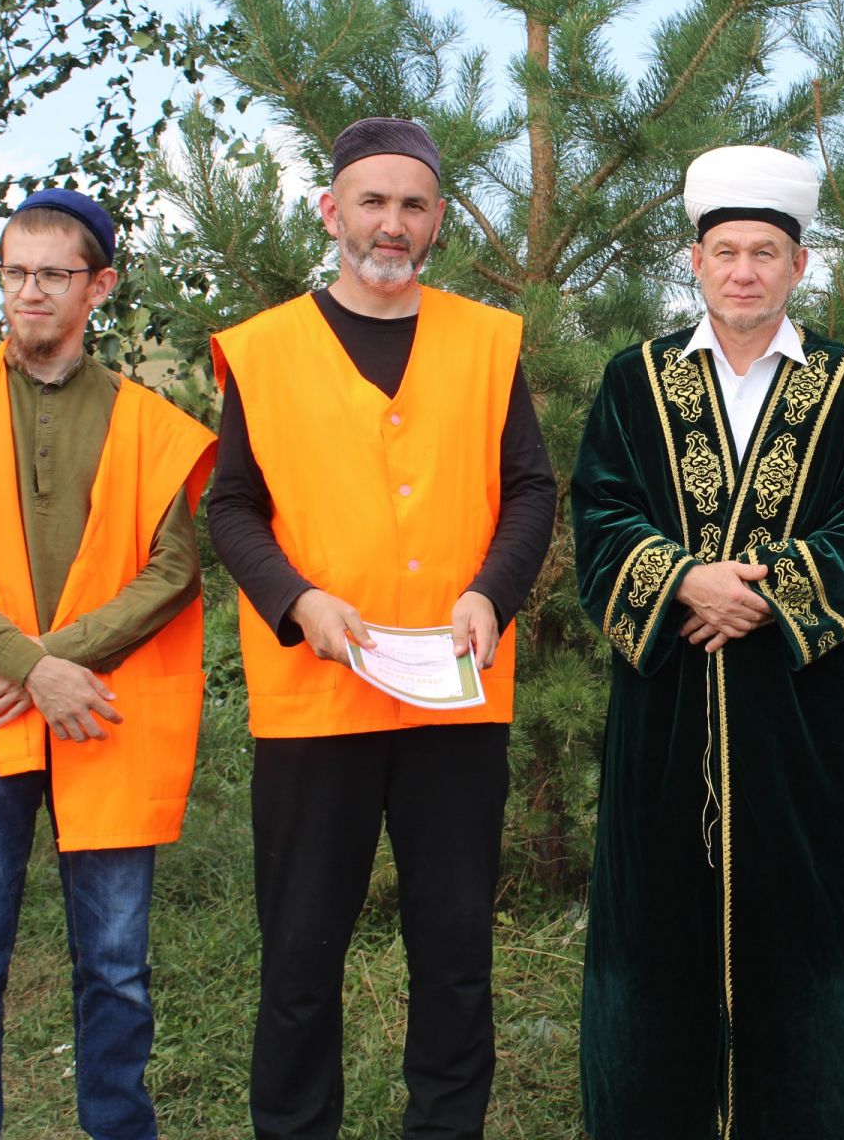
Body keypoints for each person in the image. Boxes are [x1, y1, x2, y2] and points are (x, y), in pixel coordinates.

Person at [205, 116, 557, 1140]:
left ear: (438, 219)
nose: (391, 223)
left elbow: (530, 487)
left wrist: (491, 592)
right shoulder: (264, 350)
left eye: (412, 204)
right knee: (301, 955)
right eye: (372, 201)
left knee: (454, 953)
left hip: (456, 694)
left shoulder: (487, 341)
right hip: (317, 701)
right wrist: (298, 599)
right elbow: (231, 506)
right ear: (332, 211)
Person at [570, 144, 844, 1139]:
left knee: (811, 943)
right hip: (668, 717)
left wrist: (768, 595)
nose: (744, 271)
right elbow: (601, 511)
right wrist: (682, 578)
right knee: (656, 944)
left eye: (766, 251)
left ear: (799, 265)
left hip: (807, 726)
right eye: (725, 250)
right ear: (694, 259)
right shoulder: (634, 382)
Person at [0, 188, 217, 1140]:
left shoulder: (148, 420)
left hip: (102, 713)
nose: (28, 292)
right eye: (13, 272)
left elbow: (175, 568)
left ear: (98, 286)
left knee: (114, 968)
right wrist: (31, 669)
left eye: (52, 275)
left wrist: (60, 663)